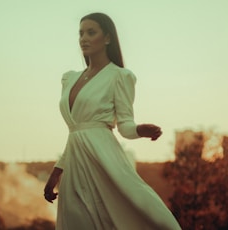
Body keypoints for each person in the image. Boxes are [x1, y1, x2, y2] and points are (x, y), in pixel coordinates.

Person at [44, 12, 181, 230]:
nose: (83, 38)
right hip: (74, 166)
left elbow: (124, 125)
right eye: (80, 33)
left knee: (134, 212)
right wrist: (56, 172)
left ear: (107, 38)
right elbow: (76, 132)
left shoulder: (120, 76)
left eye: (91, 32)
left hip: (104, 160)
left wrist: (140, 130)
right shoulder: (69, 78)